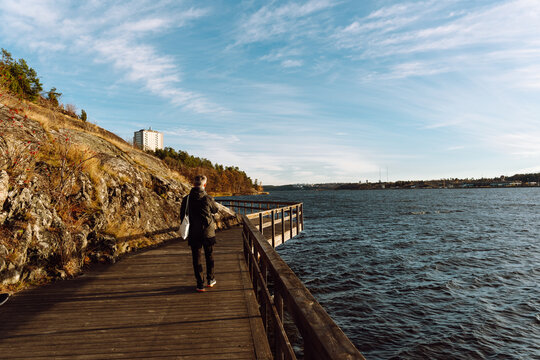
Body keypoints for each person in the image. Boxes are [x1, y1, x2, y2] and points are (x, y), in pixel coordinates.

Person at [180, 175, 219, 292]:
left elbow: (182, 216)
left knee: (196, 258)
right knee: (209, 256)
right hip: (208, 232)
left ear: (193, 184)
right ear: (204, 185)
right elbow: (215, 210)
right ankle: (210, 280)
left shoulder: (186, 199)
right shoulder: (208, 198)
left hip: (193, 232)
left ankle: (200, 284)